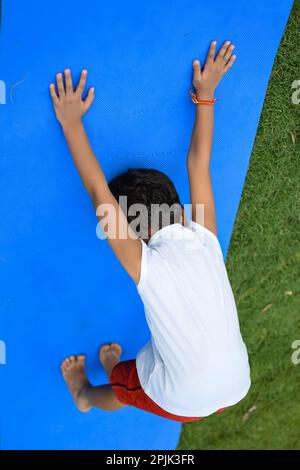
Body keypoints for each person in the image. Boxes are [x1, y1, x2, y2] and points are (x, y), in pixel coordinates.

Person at [49, 40, 250, 422]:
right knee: (145, 364)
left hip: (186, 399)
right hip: (236, 383)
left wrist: (71, 122)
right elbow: (198, 162)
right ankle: (115, 374)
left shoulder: (147, 265)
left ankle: (84, 393)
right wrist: (206, 95)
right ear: (177, 207)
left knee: (123, 390)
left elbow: (97, 192)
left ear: (135, 231)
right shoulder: (203, 235)